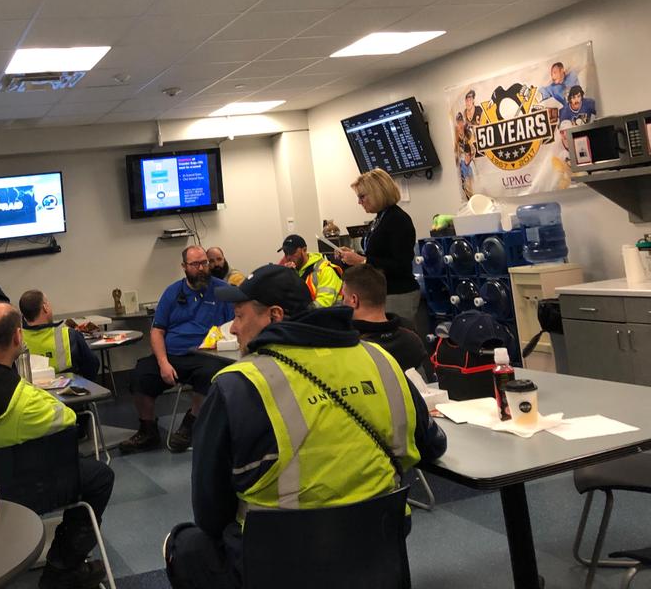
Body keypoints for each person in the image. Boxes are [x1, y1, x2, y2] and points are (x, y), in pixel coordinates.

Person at [164, 265, 447, 589]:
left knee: (183, 544)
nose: (234, 330)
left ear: (274, 315)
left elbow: (210, 514)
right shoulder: (381, 360)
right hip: (377, 552)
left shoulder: (237, 385)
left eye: (240, 317)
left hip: (276, 566)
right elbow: (433, 446)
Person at [0, 303, 114, 589]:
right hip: (10, 490)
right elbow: (67, 417)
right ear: (17, 338)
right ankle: (63, 567)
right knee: (100, 477)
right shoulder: (23, 402)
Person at [120, 245, 235, 454]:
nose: (201, 268)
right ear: (184, 267)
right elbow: (157, 332)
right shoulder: (172, 292)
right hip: (172, 355)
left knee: (211, 372)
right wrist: (163, 363)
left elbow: (234, 327)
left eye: (204, 263)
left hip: (207, 354)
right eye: (195, 264)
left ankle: (190, 424)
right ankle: (148, 431)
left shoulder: (223, 291)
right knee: (140, 374)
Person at [336, 169, 420, 324]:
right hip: (383, 293)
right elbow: (378, 254)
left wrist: (362, 261)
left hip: (398, 293)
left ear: (377, 193)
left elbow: (401, 265)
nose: (359, 202)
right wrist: (353, 255)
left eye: (362, 197)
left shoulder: (397, 219)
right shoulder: (380, 218)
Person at [344, 265, 427, 372]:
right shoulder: (412, 339)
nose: (343, 302)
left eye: (344, 297)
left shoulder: (351, 346)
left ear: (354, 300)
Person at [18, 289, 100, 380]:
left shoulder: (17, 339)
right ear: (45, 307)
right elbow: (92, 366)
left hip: (31, 392)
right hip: (68, 391)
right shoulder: (69, 335)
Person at [277, 234, 343, 308]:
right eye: (286, 253)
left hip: (329, 317)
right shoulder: (292, 272)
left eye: (292, 252)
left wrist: (300, 312)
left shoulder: (325, 270)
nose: (288, 257)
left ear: (304, 250)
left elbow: (324, 304)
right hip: (305, 317)